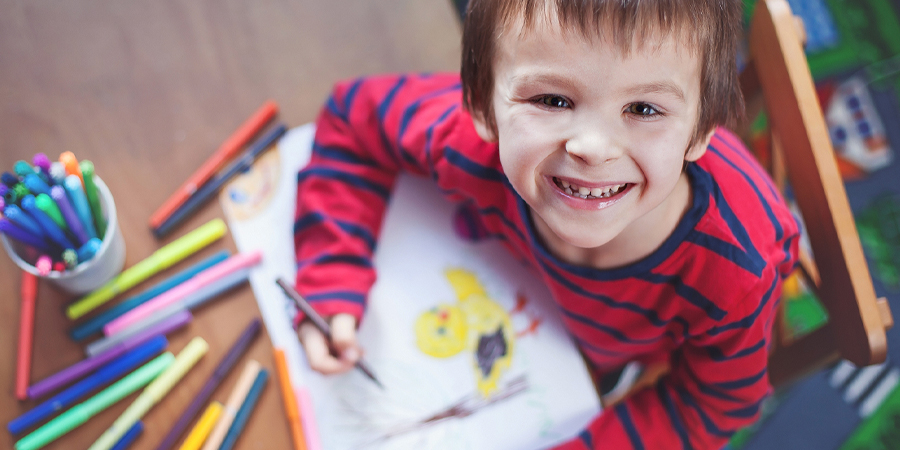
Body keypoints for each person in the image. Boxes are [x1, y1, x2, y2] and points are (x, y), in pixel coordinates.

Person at [291, 0, 800, 448]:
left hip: (601, 365)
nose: (593, 149)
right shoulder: (465, 143)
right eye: (552, 100)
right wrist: (332, 275)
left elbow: (712, 407)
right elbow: (352, 119)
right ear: (481, 107)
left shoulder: (736, 271)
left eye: (643, 108)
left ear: (700, 132)